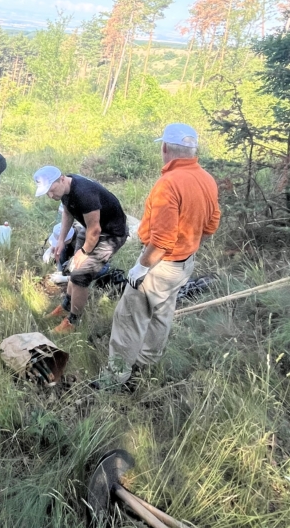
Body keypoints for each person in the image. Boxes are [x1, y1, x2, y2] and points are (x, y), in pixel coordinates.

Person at [93, 123, 220, 389]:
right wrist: (187, 246)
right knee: (162, 312)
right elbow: (211, 226)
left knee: (129, 319)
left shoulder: (168, 184)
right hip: (183, 264)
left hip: (159, 265)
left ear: (165, 148)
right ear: (192, 150)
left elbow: (162, 241)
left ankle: (115, 378)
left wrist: (141, 268)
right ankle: (146, 364)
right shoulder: (207, 178)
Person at [34, 165, 128, 335]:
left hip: (110, 234)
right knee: (73, 268)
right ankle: (66, 307)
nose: (51, 195)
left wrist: (84, 252)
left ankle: (73, 322)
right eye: (47, 192)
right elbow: (68, 213)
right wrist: (61, 240)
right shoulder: (65, 188)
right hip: (90, 229)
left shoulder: (85, 193)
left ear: (62, 178)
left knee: (80, 276)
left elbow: (96, 230)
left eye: (52, 190)